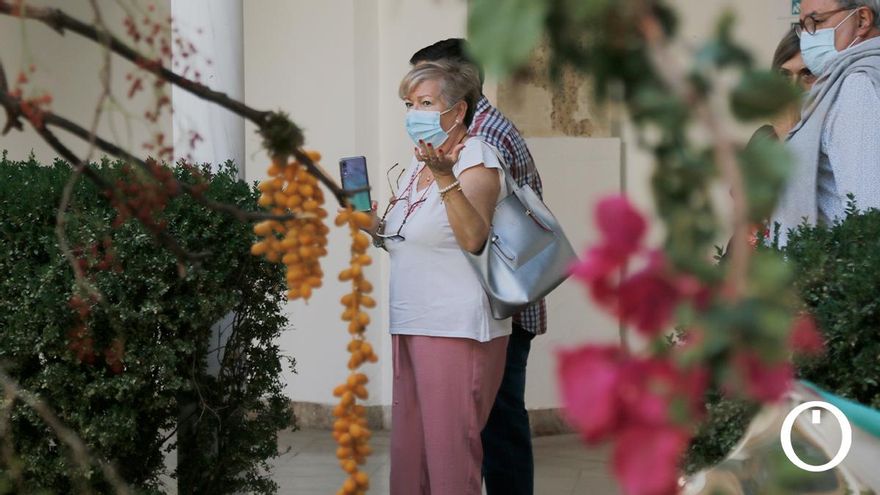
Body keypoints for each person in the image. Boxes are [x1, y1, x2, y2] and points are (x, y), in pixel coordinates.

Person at [409, 38, 544, 495]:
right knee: (492, 424)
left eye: (426, 94)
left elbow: (473, 229)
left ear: (458, 90)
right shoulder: (463, 133)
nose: (418, 104)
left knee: (495, 427)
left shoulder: (484, 139)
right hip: (495, 300)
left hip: (494, 303)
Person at [372, 59, 510, 495]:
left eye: (426, 103)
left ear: (459, 111)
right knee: (411, 459)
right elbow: (409, 237)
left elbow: (473, 237)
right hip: (411, 319)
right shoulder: (419, 165)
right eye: (410, 104)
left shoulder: (478, 158)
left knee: (450, 457)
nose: (414, 113)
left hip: (455, 326)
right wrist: (371, 224)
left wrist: (444, 176)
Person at [771, 0, 880, 245]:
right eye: (803, 26)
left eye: (817, 22)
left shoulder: (857, 85)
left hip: (840, 276)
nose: (809, 37)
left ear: (862, 20)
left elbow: (868, 212)